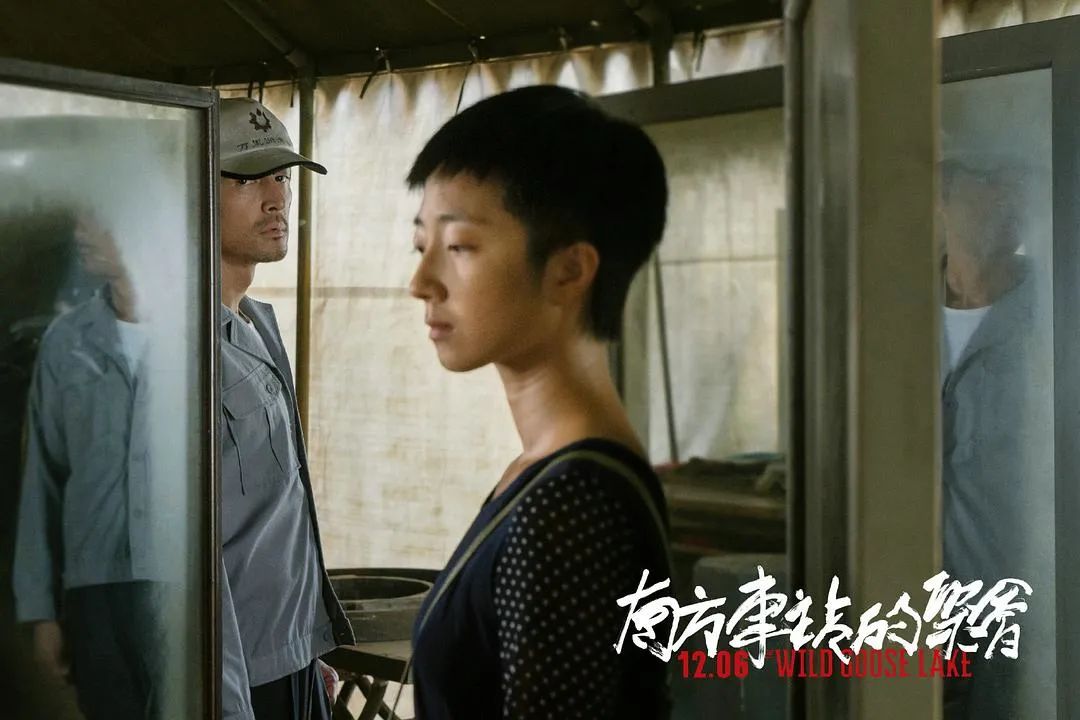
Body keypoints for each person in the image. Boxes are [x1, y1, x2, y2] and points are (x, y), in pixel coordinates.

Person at [405, 85, 673, 719]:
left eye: (459, 246)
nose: (421, 283)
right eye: (421, 247)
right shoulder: (545, 474)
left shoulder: (572, 503)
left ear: (569, 271)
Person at [216, 97, 353, 720]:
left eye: (283, 177)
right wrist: (225, 695)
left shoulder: (257, 328)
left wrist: (304, 645)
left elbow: (276, 509)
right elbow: (184, 550)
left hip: (289, 658)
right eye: (249, 180)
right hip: (233, 676)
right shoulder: (181, 351)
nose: (277, 199)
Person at [12, 213, 176, 719]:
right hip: (94, 594)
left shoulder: (201, 330)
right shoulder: (66, 341)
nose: (81, 234)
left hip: (188, 588)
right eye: (81, 223)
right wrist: (41, 612)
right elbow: (42, 480)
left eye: (99, 220)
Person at [939, 157, 1054, 718]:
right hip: (907, 615)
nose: (1011, 194)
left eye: (1023, 179)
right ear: (942, 197)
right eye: (990, 177)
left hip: (1022, 625)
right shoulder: (890, 315)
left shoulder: (1057, 316)